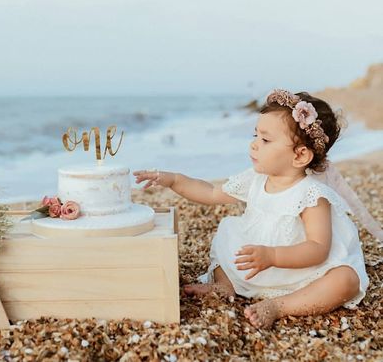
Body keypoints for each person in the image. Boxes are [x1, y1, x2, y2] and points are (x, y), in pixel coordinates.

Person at [133, 89, 380, 329]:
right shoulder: (255, 179)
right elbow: (210, 192)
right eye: (255, 136)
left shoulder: (312, 196)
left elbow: (318, 249)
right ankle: (224, 285)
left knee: (345, 281)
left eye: (265, 139)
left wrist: (272, 257)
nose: (254, 145)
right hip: (257, 259)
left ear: (300, 156)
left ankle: (281, 305)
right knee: (227, 234)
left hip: (301, 267)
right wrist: (175, 180)